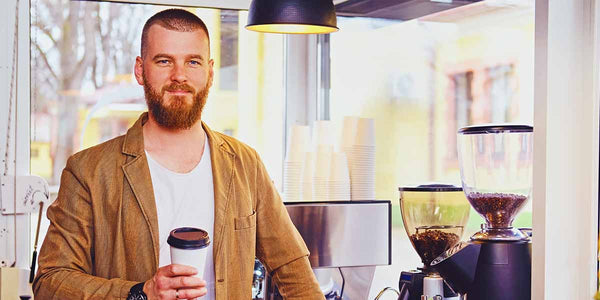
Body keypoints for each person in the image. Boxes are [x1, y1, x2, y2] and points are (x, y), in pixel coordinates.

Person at [33, 8, 324, 300]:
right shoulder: (89, 171)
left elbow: (294, 271)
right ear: (140, 70)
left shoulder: (246, 164)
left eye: (193, 62)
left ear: (210, 71)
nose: (179, 76)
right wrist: (139, 293)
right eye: (164, 61)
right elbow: (50, 281)